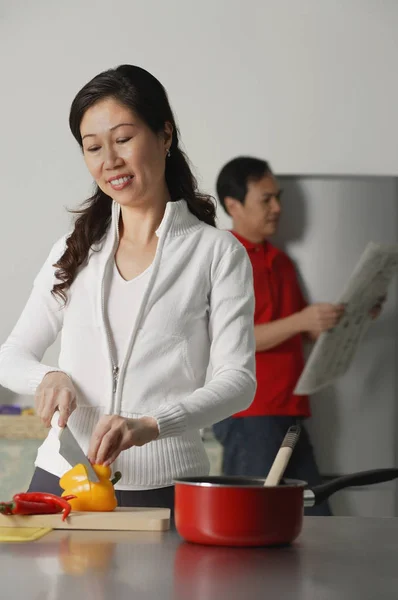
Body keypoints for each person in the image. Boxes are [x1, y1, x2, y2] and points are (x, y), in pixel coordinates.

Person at [0, 67, 256, 514]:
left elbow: (238, 381)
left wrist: (152, 425)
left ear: (165, 135)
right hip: (61, 480)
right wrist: (49, 377)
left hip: (168, 485)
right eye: (93, 147)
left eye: (122, 139)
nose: (109, 160)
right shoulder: (74, 249)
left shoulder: (218, 253)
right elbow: (11, 355)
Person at [212, 156, 385, 516]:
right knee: (252, 521)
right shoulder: (222, 257)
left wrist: (354, 316)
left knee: (315, 519)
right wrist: (301, 320)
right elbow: (229, 342)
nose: (277, 208)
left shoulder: (281, 261)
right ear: (233, 205)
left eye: (278, 197)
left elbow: (302, 331)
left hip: (290, 411)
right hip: (250, 415)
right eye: (266, 199)